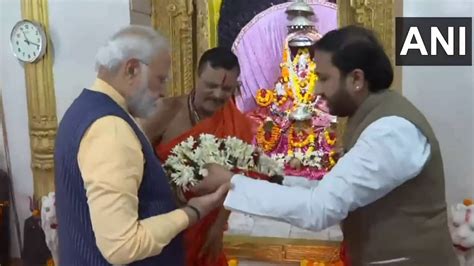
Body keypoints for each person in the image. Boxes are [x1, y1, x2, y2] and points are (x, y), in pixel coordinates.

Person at [197, 25, 459, 266]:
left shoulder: (391, 132)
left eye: (323, 78)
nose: (314, 91)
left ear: (356, 79)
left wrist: (232, 182)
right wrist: (277, 179)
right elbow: (333, 189)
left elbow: (319, 208)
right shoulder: (373, 116)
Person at [54, 25, 228, 266]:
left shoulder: (85, 108)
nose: (163, 91)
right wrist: (193, 213)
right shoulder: (110, 128)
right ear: (132, 69)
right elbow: (121, 245)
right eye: (160, 79)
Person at [142, 47, 251, 266]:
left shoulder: (239, 125)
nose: (218, 94)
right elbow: (134, 162)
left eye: (227, 88)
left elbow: (235, 182)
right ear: (197, 77)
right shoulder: (165, 111)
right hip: (164, 219)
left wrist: (218, 227)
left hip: (207, 223)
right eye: (211, 86)